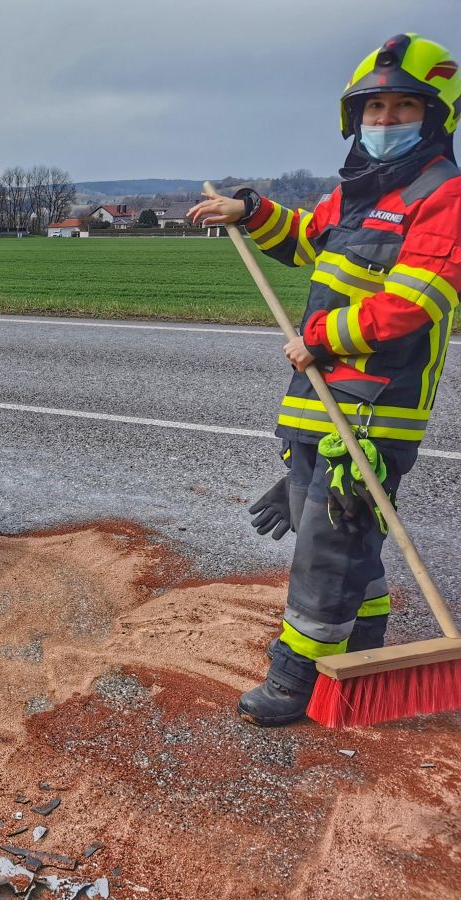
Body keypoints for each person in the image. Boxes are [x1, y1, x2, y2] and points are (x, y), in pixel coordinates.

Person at [188, 33, 461, 726]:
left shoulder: (444, 196)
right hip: (315, 403)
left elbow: (412, 303)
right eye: (373, 108)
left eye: (403, 108)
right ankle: (365, 635)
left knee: (325, 549)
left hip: (375, 414)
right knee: (351, 541)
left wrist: (320, 337)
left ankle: (294, 676)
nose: (385, 121)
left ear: (435, 119)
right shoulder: (360, 193)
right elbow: (309, 239)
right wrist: (249, 212)